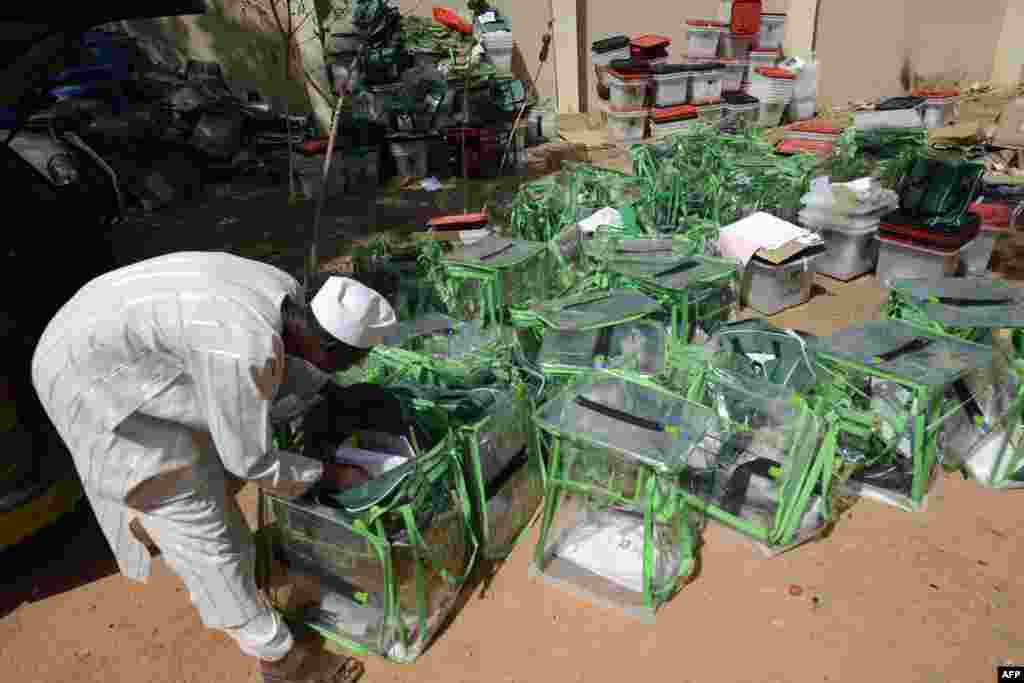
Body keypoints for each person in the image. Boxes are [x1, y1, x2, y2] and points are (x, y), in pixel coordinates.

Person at [31, 251, 408, 683]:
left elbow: (270, 380)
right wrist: (331, 474)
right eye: (349, 362)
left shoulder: (285, 292)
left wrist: (322, 396)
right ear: (324, 346)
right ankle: (283, 660)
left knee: (214, 472)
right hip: (91, 375)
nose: (352, 370)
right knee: (198, 527)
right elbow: (253, 462)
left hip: (106, 324)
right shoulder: (241, 350)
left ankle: (253, 580)